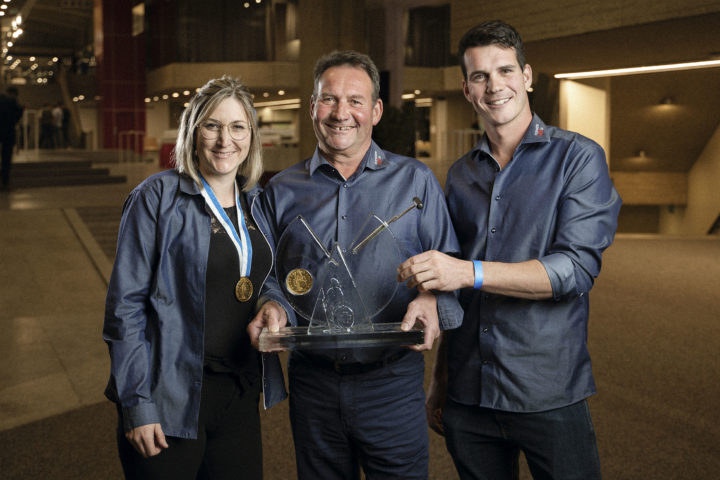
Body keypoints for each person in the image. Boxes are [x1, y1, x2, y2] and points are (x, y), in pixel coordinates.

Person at [397, 20, 622, 480]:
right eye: (480, 76)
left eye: (505, 71)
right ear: (466, 89)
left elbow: (574, 270)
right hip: (468, 393)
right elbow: (451, 289)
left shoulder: (578, 158)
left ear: (527, 76)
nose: (494, 85)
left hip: (547, 391)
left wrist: (469, 272)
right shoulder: (460, 174)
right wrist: (440, 381)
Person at [248, 50, 462, 479]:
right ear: (312, 107)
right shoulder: (280, 191)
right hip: (314, 384)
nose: (341, 113)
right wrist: (272, 306)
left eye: (356, 100)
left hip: (391, 383)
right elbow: (270, 276)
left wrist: (431, 299)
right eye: (328, 99)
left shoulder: (416, 181)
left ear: (376, 110)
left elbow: (449, 264)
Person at [103, 76, 291, 480]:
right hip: (169, 396)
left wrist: (272, 304)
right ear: (192, 132)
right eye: (212, 125)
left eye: (237, 127)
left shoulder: (257, 202)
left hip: (238, 393)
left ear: (251, 136)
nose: (226, 140)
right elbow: (124, 308)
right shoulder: (156, 197)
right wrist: (137, 404)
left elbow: (266, 277)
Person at [0, 86, 24, 189]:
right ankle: (5, 182)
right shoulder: (13, 102)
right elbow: (18, 115)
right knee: (6, 158)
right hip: (9, 132)